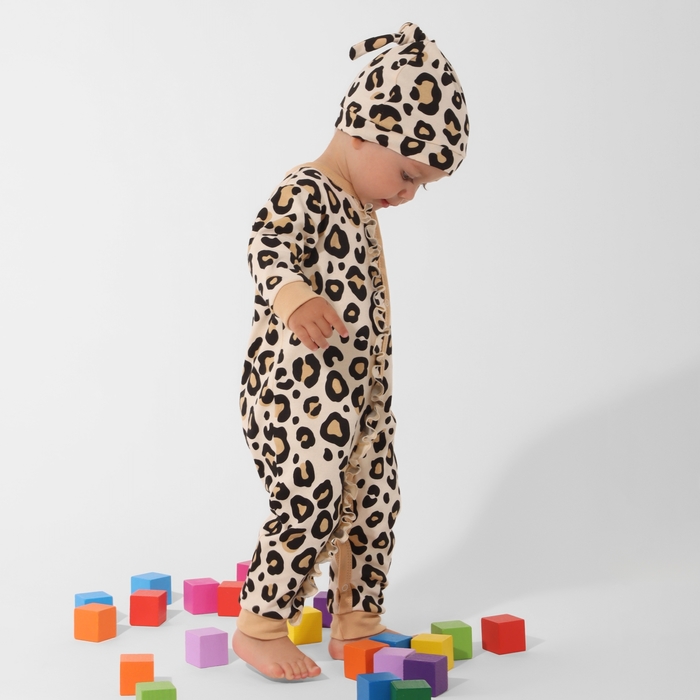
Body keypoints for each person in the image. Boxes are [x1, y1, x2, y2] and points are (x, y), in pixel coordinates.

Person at [232, 21, 469, 681]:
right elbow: (266, 243)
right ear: (364, 129)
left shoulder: (358, 204)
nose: (407, 194)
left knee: (376, 500)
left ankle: (356, 621)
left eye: (421, 185)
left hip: (361, 398)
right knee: (309, 501)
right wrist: (294, 298)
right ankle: (259, 625)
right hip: (295, 395)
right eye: (407, 174)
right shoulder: (308, 189)